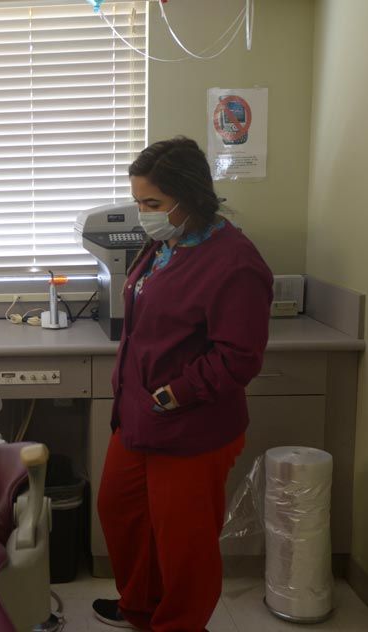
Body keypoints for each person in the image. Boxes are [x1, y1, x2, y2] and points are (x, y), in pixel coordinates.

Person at [94, 137, 273, 631]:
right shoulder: (165, 243)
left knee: (184, 540)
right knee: (121, 511)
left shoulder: (235, 261)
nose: (143, 215)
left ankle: (180, 623)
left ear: (190, 197)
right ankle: (140, 607)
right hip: (138, 416)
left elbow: (239, 356)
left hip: (191, 423)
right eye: (138, 202)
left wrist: (177, 393)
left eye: (152, 204)